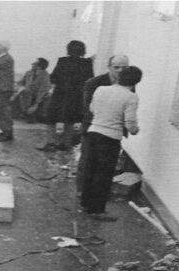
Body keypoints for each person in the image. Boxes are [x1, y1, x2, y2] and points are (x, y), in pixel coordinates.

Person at [79, 66, 142, 221]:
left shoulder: (101, 89)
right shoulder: (131, 97)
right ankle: (97, 209)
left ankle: (86, 203)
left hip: (93, 133)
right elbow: (130, 122)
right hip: (110, 138)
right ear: (136, 82)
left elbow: (93, 108)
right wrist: (135, 130)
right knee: (104, 174)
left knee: (90, 168)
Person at [76, 55, 131, 194]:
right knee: (87, 161)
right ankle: (82, 191)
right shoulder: (95, 83)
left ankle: (95, 194)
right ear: (109, 67)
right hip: (94, 128)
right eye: (116, 67)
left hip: (114, 131)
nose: (120, 70)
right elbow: (89, 107)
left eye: (124, 68)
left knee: (105, 165)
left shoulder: (129, 85)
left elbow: (127, 108)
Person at [38, 40, 94, 152]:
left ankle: (51, 143)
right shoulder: (87, 63)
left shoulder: (63, 61)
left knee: (51, 119)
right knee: (71, 120)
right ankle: (65, 144)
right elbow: (90, 79)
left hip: (61, 94)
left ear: (68, 49)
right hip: (76, 96)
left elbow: (54, 77)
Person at [12, 58, 51, 123]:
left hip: (38, 96)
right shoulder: (28, 72)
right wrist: (17, 88)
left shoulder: (45, 76)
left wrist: (36, 104)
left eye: (34, 63)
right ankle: (27, 113)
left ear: (39, 66)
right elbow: (21, 82)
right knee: (23, 91)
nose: (32, 64)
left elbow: (43, 91)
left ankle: (28, 114)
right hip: (26, 93)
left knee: (25, 92)